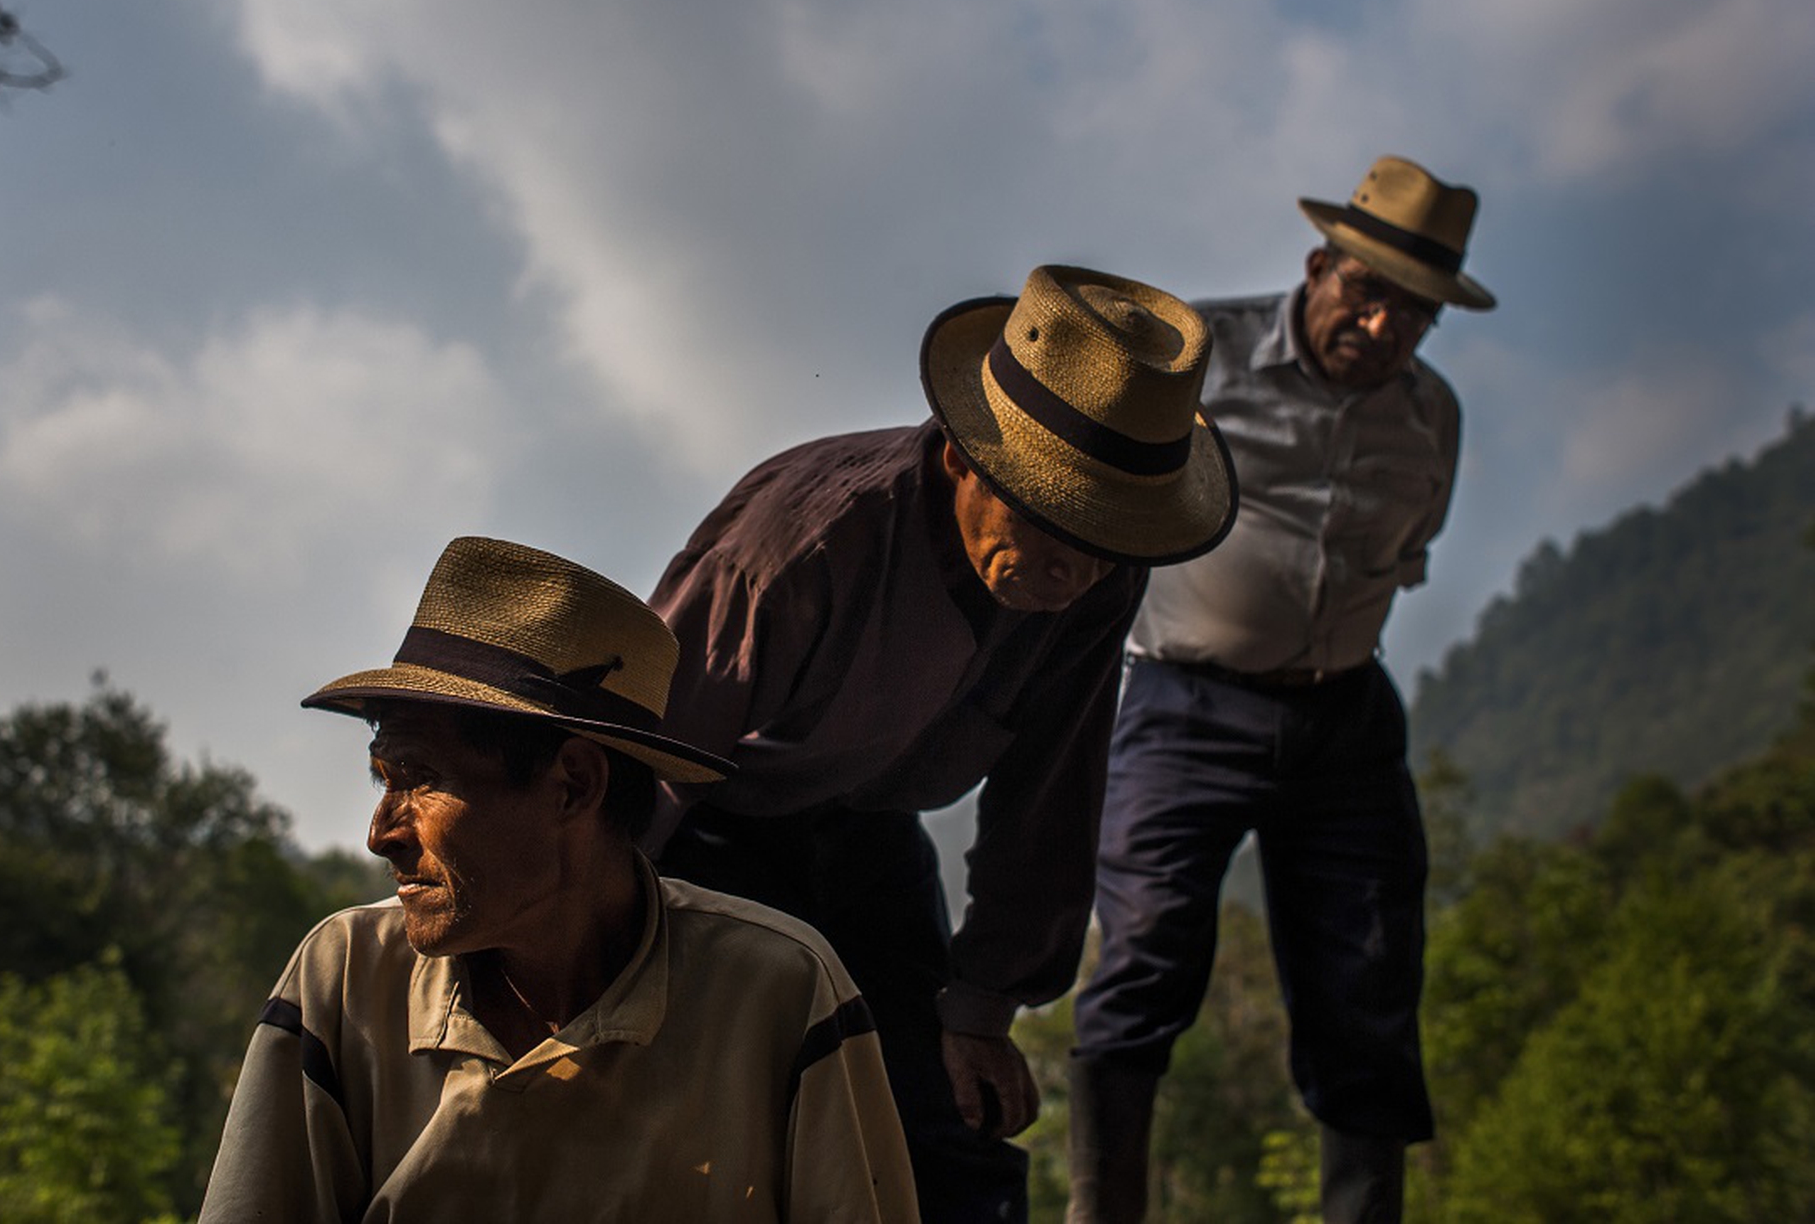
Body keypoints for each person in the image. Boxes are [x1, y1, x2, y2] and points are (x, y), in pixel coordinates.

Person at [647, 264, 1239, 1222]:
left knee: (951, 1139)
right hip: (708, 828)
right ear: (966, 461)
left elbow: (1052, 793)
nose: (1070, 568)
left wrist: (982, 1004)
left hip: (871, 836)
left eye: (1100, 539)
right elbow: (639, 762)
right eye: (1047, 519)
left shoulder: (1096, 582)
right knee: (718, 1129)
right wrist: (584, 949)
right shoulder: (803, 547)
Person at [200, 536, 919, 1223]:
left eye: (420, 780)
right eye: (383, 778)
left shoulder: (782, 990)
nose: (381, 831)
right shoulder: (346, 977)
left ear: (573, 783)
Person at [1067, 156, 1497, 1224]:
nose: (1385, 325)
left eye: (1416, 313)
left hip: (1346, 715)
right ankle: (1099, 1206)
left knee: (1369, 972)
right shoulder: (1203, 364)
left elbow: (1411, 551)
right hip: (1184, 703)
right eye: (1368, 292)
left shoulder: (1431, 418)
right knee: (1147, 946)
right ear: (1319, 265)